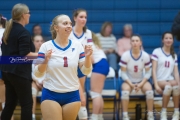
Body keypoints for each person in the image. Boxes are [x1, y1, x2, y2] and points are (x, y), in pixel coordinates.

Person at [33, 14, 92, 120]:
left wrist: (88, 58)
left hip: (72, 94)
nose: (69, 26)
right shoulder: (45, 46)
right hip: (51, 94)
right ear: (56, 27)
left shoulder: (78, 45)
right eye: (65, 23)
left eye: (70, 23)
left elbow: (86, 71)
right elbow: (37, 73)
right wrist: (46, 60)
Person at [69, 9, 109, 120]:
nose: (84, 19)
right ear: (75, 18)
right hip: (71, 67)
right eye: (81, 17)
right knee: (82, 96)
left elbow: (90, 55)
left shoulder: (88, 33)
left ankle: (93, 117)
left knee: (83, 95)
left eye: (85, 17)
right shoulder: (69, 32)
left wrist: (85, 61)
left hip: (85, 66)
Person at [0, 3, 37, 120]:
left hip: (7, 72)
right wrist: (42, 55)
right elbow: (25, 55)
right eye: (29, 13)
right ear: (23, 15)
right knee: (27, 104)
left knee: (10, 104)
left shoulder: (8, 31)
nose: (29, 15)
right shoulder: (23, 32)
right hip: (19, 73)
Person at [120, 35, 154, 120]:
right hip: (129, 81)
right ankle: (125, 115)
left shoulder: (145, 55)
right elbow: (123, 73)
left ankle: (150, 115)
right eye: (133, 41)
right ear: (130, 43)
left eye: (137, 41)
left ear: (140, 43)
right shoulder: (125, 55)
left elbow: (148, 72)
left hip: (141, 81)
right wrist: (131, 84)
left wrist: (141, 83)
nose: (135, 43)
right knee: (125, 92)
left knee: (150, 92)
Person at [152, 32, 179, 120]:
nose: (168, 40)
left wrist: (179, 84)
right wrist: (155, 85)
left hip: (169, 80)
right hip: (159, 80)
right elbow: (153, 70)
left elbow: (176, 73)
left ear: (173, 40)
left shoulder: (174, 55)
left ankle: (176, 112)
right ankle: (163, 112)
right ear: (163, 40)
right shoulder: (157, 51)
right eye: (166, 38)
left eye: (170, 38)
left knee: (176, 87)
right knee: (168, 87)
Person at [31, 35, 44, 120]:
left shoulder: (47, 56)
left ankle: (45, 117)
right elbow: (28, 72)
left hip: (45, 81)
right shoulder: (30, 55)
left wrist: (43, 81)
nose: (39, 43)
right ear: (33, 43)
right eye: (37, 41)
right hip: (34, 81)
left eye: (41, 41)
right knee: (32, 90)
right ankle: (32, 116)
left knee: (48, 90)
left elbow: (49, 71)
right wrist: (35, 80)